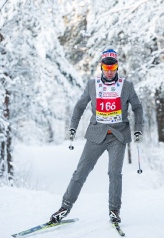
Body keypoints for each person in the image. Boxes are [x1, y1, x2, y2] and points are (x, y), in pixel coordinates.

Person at [50, 48, 143, 224]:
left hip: (118, 135)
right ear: (101, 67)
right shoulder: (92, 85)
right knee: (81, 172)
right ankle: (64, 208)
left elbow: (137, 107)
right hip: (96, 134)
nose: (109, 71)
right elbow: (79, 106)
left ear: (117, 67)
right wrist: (72, 128)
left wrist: (138, 129)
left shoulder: (126, 86)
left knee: (114, 173)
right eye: (106, 68)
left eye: (113, 67)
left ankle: (114, 211)